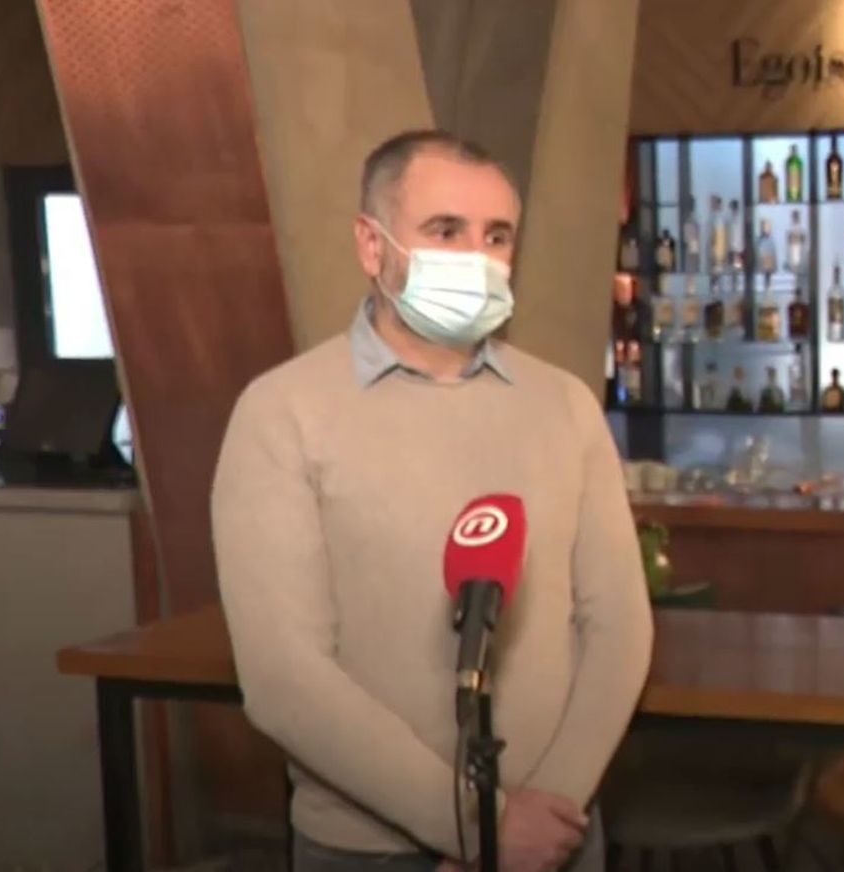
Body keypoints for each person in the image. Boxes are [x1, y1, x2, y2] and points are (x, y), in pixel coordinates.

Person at [211, 130, 653, 872]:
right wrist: (477, 828)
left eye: (496, 236)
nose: (476, 257)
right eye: (445, 230)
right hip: (372, 852)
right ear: (371, 245)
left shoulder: (565, 404)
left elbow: (619, 627)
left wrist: (541, 816)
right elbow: (285, 678)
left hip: (555, 836)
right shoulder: (282, 413)